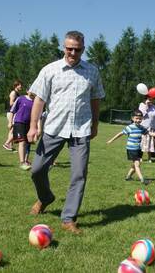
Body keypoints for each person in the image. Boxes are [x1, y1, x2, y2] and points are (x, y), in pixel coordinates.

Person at [27, 31, 105, 235]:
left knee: (78, 174)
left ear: (83, 49)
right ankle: (45, 198)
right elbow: (39, 99)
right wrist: (33, 125)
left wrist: (95, 125)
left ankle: (68, 218)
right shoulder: (50, 70)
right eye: (69, 48)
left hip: (80, 130)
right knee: (36, 170)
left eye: (77, 49)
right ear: (64, 47)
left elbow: (96, 100)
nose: (72, 52)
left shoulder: (92, 71)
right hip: (54, 128)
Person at [107, 109, 155, 185]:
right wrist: (111, 140)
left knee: (135, 164)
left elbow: (149, 133)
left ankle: (128, 177)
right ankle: (143, 180)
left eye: (140, 119)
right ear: (132, 118)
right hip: (131, 149)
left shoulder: (141, 127)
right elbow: (120, 133)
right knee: (137, 164)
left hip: (138, 149)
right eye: (136, 118)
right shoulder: (130, 127)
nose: (138, 120)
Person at [9, 91, 36, 171]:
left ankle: (26, 161)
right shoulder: (20, 98)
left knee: (28, 143)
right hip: (19, 122)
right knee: (22, 142)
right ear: (28, 91)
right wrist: (10, 122)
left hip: (29, 124)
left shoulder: (36, 102)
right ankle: (22, 162)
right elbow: (12, 110)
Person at [3, 80, 23, 151]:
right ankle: (7, 144)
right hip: (10, 112)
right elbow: (11, 103)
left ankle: (10, 145)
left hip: (13, 112)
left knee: (12, 129)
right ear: (16, 86)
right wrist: (20, 104)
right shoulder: (13, 92)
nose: (21, 86)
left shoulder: (18, 93)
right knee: (12, 129)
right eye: (19, 85)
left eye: (21, 85)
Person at [139, 96, 155, 162]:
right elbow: (141, 115)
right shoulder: (141, 105)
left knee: (150, 144)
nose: (150, 101)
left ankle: (149, 158)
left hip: (151, 128)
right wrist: (146, 106)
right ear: (145, 99)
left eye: (152, 100)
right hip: (143, 127)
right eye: (149, 100)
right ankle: (140, 157)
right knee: (141, 143)